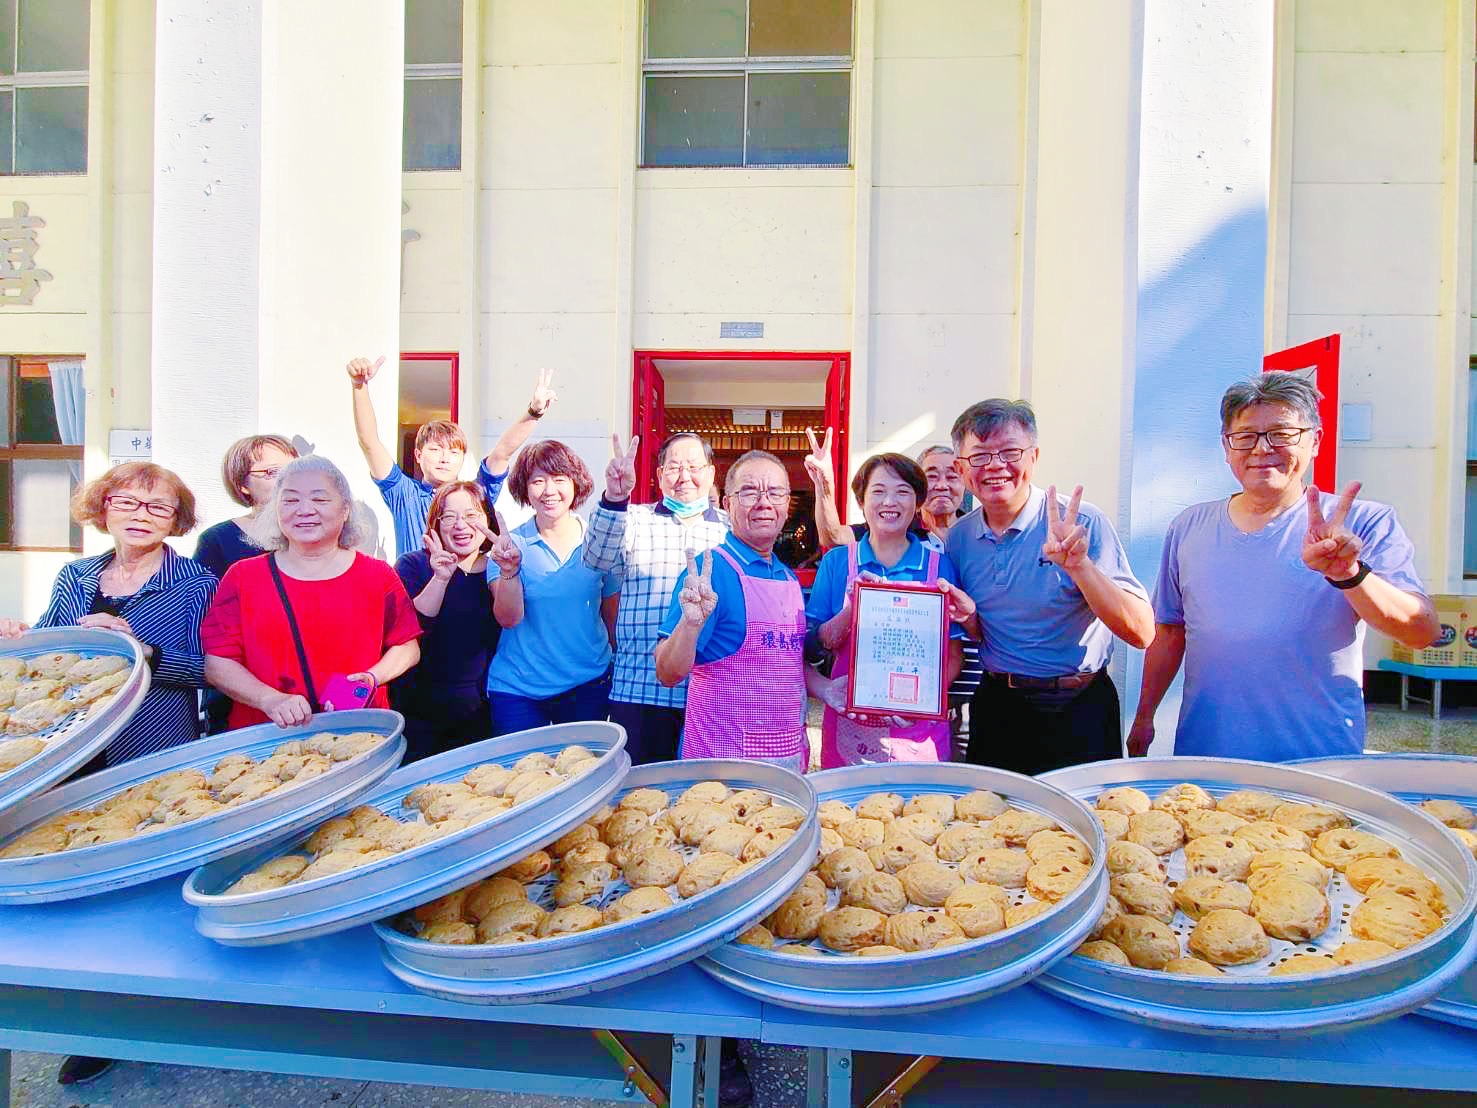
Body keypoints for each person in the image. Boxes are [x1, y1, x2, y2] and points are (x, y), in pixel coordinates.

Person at [1129, 372, 1438, 761]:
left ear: (1315, 441)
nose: (1262, 449)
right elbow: (1170, 632)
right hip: (1207, 755)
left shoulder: (1363, 523)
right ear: (1227, 447)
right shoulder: (1189, 526)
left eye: (1282, 433)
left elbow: (1421, 632)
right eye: (1245, 436)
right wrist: (1144, 717)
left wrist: (1350, 574)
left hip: (1317, 757)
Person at [945, 399, 1153, 775]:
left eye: (1010, 452)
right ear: (961, 467)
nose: (995, 466)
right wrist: (973, 618)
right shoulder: (960, 539)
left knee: (1081, 826)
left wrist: (1081, 566)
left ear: (1034, 456)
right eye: (979, 456)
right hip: (999, 709)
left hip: (1079, 708)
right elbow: (983, 632)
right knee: (992, 823)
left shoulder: (1081, 524)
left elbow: (1142, 632)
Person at [0, 462, 217, 764]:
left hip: (149, 741)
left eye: (158, 507)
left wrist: (141, 651)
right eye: (126, 502)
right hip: (68, 739)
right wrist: (16, 637)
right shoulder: (75, 575)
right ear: (103, 508)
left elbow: (211, 671)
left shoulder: (197, 584)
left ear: (175, 519)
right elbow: (47, 650)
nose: (140, 515)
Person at [201, 455, 421, 729]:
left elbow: (407, 647)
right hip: (265, 737)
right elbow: (218, 662)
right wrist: (270, 699)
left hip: (358, 732)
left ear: (345, 509)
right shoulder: (243, 577)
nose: (305, 510)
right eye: (290, 500)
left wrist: (371, 677)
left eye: (320, 499)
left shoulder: (377, 575)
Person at [804, 452, 976, 768]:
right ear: (862, 500)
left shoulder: (940, 567)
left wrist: (924, 697)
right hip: (850, 720)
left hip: (917, 729)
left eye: (902, 492)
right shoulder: (837, 562)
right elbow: (813, 645)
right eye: (879, 491)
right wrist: (849, 612)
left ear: (917, 503)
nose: (890, 502)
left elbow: (953, 655)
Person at [655, 450, 808, 773]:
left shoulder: (788, 576)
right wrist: (690, 624)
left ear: (787, 504)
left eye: (776, 492)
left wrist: (830, 690)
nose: (764, 502)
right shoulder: (711, 573)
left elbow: (787, 666)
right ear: (727, 504)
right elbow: (667, 672)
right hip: (721, 767)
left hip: (787, 762)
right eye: (750, 491)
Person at [584, 431, 727, 764]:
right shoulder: (633, 519)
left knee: (701, 798)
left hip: (708, 695)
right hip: (639, 689)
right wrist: (616, 497)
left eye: (694, 467)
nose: (684, 477)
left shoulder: (729, 530)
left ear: (710, 474)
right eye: (674, 467)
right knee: (636, 797)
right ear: (659, 475)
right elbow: (595, 558)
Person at [347, 357, 557, 556]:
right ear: (418, 455)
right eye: (436, 449)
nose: (445, 458)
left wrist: (534, 412)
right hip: (415, 593)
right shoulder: (403, 493)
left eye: (454, 452)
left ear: (462, 458)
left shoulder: (477, 494)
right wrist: (359, 387)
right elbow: (370, 443)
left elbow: (503, 452)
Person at [486, 441, 619, 735]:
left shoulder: (598, 543)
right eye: (538, 480)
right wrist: (509, 571)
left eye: (559, 479)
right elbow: (508, 619)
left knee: (582, 771)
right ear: (525, 488)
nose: (549, 490)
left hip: (587, 683)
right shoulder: (508, 546)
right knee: (518, 777)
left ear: (575, 484)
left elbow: (612, 615)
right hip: (518, 688)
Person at [391, 480, 501, 761]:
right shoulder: (412, 564)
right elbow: (410, 627)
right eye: (449, 517)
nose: (460, 525)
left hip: (479, 711)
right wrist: (441, 577)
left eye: (471, 516)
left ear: (488, 520)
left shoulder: (499, 571)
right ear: (435, 524)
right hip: (416, 711)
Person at [805, 430, 962, 549]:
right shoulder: (894, 526)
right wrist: (824, 486)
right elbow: (833, 537)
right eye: (932, 476)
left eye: (952, 477)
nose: (942, 485)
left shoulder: (977, 530)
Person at [193, 434, 298, 579]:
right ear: (243, 485)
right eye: (273, 472)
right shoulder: (218, 539)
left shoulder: (322, 528)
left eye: (295, 469)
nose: (288, 478)